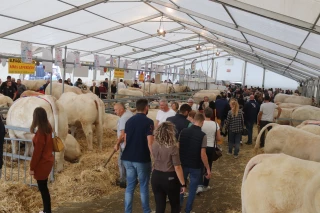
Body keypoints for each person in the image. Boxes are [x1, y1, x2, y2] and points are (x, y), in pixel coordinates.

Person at [121, 99, 155, 213]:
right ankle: (146, 211)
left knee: (130, 187)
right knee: (144, 186)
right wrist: (155, 158)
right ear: (146, 108)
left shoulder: (129, 121)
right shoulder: (149, 122)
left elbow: (125, 140)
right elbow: (150, 142)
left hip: (127, 157)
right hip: (141, 158)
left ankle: (127, 211)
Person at [179, 113, 211, 213]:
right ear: (202, 122)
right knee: (192, 189)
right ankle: (188, 210)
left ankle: (178, 207)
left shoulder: (183, 131)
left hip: (183, 164)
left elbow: (178, 147)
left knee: (181, 185)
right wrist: (208, 169)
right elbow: (203, 154)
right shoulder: (202, 135)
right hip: (196, 166)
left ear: (194, 120)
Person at [151, 122, 186, 213]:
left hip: (156, 176)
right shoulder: (173, 147)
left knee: (159, 205)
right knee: (175, 205)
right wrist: (183, 183)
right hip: (170, 177)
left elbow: (154, 160)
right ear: (170, 132)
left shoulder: (154, 144)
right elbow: (177, 167)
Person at [30, 107, 54, 213]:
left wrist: (32, 167)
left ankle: (47, 211)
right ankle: (46, 210)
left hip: (42, 163)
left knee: (43, 188)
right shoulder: (48, 127)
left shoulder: (40, 133)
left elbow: (37, 153)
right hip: (48, 160)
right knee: (44, 187)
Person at [196, 108, 221, 194]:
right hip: (210, 147)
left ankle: (199, 185)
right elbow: (218, 138)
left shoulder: (200, 123)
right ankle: (205, 185)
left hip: (200, 146)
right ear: (212, 115)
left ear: (203, 114)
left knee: (199, 165)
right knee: (208, 165)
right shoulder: (215, 124)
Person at [113, 103, 133, 188]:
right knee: (129, 163)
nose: (115, 112)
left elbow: (122, 134)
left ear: (121, 109)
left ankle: (123, 181)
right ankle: (131, 180)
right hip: (131, 143)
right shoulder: (129, 113)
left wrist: (117, 144)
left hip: (124, 144)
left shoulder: (123, 118)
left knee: (121, 162)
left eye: (116, 110)